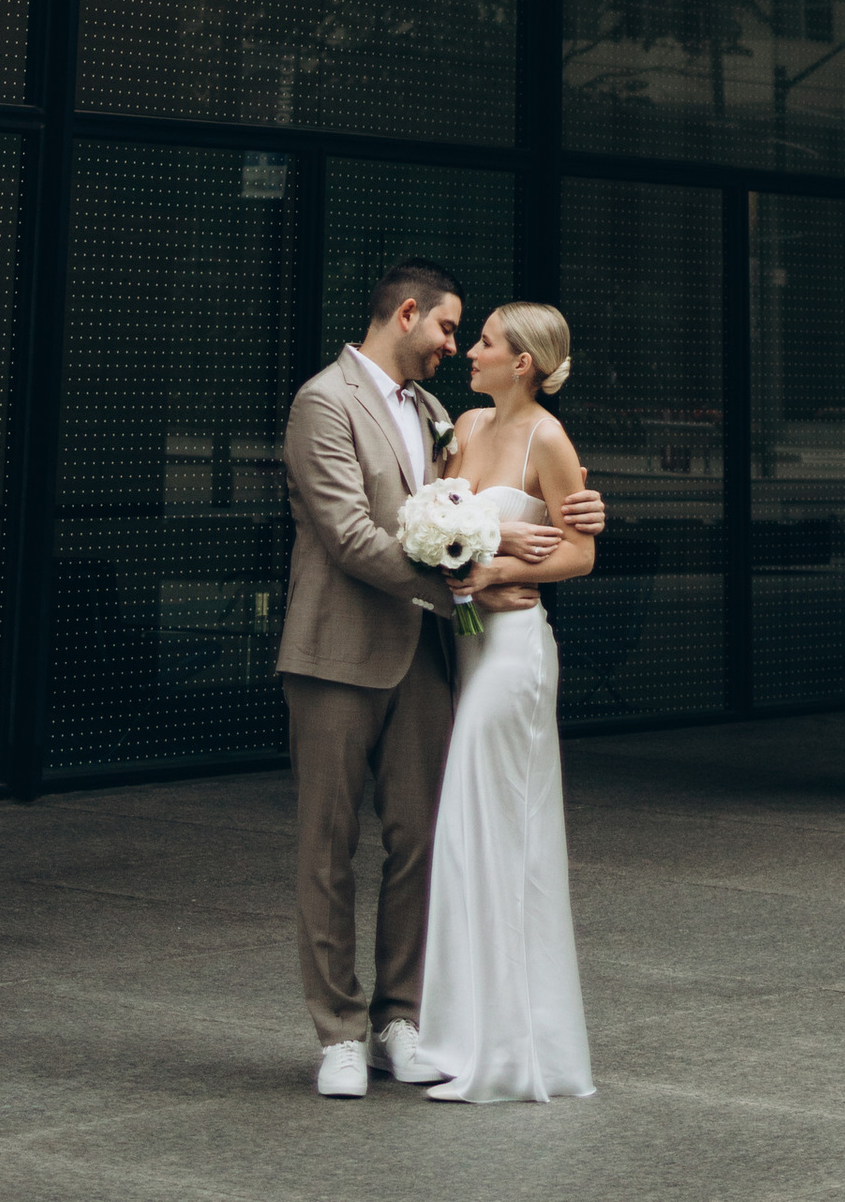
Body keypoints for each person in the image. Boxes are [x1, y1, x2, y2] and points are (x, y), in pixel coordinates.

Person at [276, 263, 605, 1100]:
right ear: (407, 314)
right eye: (449, 329)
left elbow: (482, 508)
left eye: (470, 336)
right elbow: (351, 535)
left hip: (427, 656)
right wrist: (473, 577)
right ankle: (339, 1034)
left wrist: (579, 514)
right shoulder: (323, 402)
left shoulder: (435, 414)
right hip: (338, 652)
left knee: (422, 841)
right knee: (328, 847)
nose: (455, 347)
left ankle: (400, 1021)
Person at [414, 301, 597, 1104]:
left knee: (502, 837)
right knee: (465, 836)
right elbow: (437, 520)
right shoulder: (464, 425)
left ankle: (514, 1052)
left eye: (484, 342)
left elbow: (580, 553)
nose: (471, 353)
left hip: (514, 654)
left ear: (522, 362)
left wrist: (494, 573)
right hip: (467, 643)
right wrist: (471, 558)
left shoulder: (547, 438)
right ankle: (461, 1035)